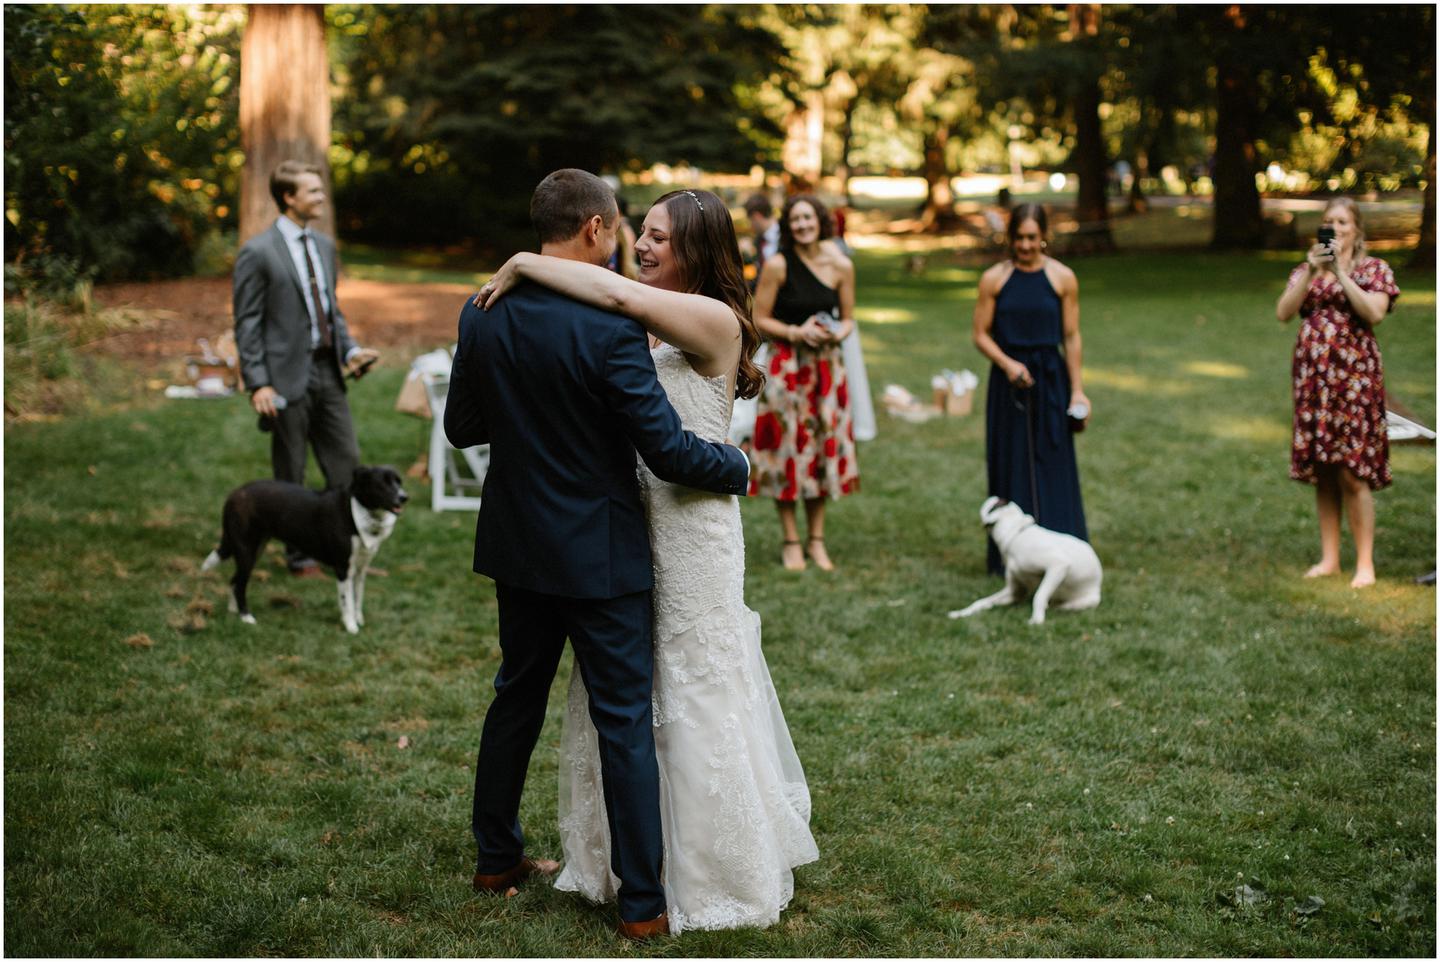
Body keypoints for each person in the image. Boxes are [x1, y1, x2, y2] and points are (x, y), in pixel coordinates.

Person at [477, 186, 819, 934]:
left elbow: (607, 288)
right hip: (630, 527)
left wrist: (522, 261)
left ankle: (708, 863)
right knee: (636, 702)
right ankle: (632, 867)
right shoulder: (643, 322)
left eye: (663, 236)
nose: (648, 244)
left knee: (689, 691)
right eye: (646, 232)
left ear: (699, 250)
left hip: (690, 529)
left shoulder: (710, 317)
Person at [232, 160, 379, 575]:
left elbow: (331, 312)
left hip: (329, 372)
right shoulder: (257, 251)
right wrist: (258, 383)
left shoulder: (326, 246)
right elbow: (247, 323)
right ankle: (297, 554)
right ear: (289, 197)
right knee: (290, 470)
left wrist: (349, 351)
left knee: (346, 462)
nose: (321, 197)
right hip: (283, 378)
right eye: (312, 191)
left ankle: (346, 550)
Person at [1275, 197, 1399, 588]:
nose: (1335, 227)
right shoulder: (1308, 270)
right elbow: (1283, 311)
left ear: (1356, 230)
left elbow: (1374, 313)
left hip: (1353, 380)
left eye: (1343, 221)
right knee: (1324, 470)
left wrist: (1343, 275)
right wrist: (1314, 271)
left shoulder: (1373, 270)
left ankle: (1365, 563)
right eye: (1329, 221)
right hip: (1314, 382)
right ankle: (1330, 558)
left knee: (1352, 470)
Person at [971, 203, 1090, 575]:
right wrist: (1007, 364)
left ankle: (1062, 551)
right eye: (1019, 238)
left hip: (1050, 378)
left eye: (1032, 238)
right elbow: (979, 335)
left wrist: (1078, 391)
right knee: (1010, 461)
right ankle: (1010, 559)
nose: (1025, 245)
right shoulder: (994, 279)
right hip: (1008, 383)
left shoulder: (1062, 278)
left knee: (1053, 460)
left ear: (1044, 238)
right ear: (1011, 239)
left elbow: (1071, 337)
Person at [750, 194, 860, 572]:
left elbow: (848, 318)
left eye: (808, 218)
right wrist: (797, 333)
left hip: (825, 370)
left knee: (819, 451)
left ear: (821, 222)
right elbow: (759, 317)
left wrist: (835, 333)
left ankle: (816, 539)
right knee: (786, 452)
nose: (802, 225)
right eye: (795, 220)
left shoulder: (842, 265)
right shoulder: (779, 265)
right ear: (787, 226)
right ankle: (791, 540)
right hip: (787, 366)